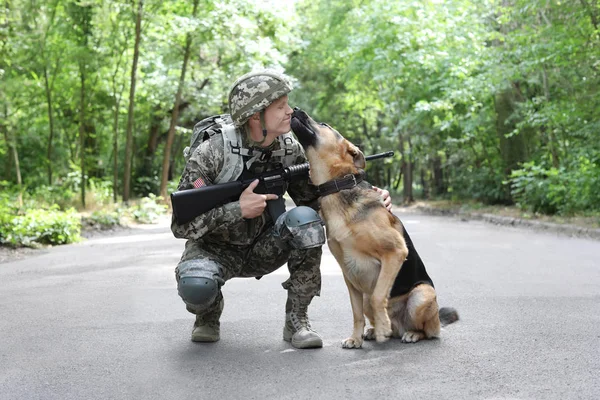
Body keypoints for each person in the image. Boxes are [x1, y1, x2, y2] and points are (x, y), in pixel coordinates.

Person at [171, 69, 392, 349]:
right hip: (214, 250)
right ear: (255, 116)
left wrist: (371, 200)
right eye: (280, 107)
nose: (290, 111)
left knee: (307, 222)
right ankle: (207, 315)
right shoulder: (212, 152)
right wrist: (237, 209)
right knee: (197, 285)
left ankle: (297, 320)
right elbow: (181, 225)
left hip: (266, 246)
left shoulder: (289, 150)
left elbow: (317, 203)